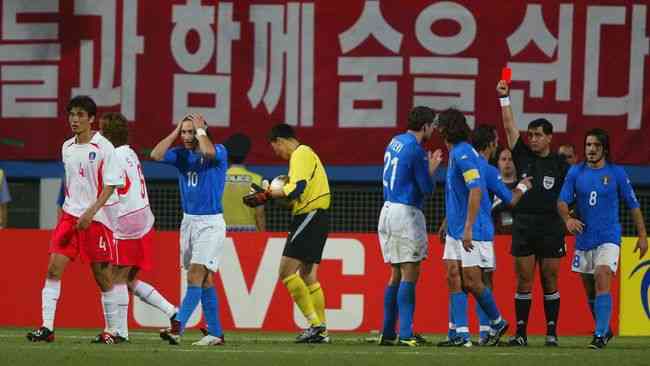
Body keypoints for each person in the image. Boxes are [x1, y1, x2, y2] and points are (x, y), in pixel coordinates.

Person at [78, 112, 178, 343]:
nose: (98, 134)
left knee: (114, 277)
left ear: (108, 134)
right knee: (129, 279)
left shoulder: (114, 155)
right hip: (143, 217)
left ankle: (118, 332)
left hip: (129, 220)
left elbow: (115, 188)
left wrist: (93, 211)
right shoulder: (129, 152)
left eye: (101, 130)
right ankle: (175, 313)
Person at [27, 96, 118, 342]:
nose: (75, 120)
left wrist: (91, 211)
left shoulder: (104, 147)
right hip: (70, 218)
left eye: (80, 115)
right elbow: (71, 184)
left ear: (91, 119)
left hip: (97, 219)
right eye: (72, 115)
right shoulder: (66, 147)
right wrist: (64, 216)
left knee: (102, 276)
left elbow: (111, 185)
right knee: (53, 268)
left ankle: (113, 330)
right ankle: (47, 328)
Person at [437, 115, 528, 348]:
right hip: (457, 229)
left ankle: (494, 323)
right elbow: (458, 194)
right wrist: (447, 222)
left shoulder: (467, 156)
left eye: (441, 126)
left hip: (474, 230)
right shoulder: (458, 154)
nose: (438, 130)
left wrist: (522, 186)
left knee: (474, 282)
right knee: (453, 277)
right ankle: (460, 334)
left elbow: (476, 191)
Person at [558, 128, 648, 349]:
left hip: (609, 236)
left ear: (604, 149)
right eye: (588, 145)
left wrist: (642, 235)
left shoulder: (617, 173)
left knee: (602, 274)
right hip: (584, 238)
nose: (591, 149)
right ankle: (605, 328)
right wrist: (567, 220)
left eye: (596, 145)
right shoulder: (575, 173)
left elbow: (633, 205)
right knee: (590, 290)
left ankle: (598, 335)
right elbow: (562, 201)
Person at [497, 80, 570, 346]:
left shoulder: (560, 164)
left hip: (551, 227)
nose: (534, 139)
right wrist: (504, 98)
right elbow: (508, 126)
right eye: (531, 135)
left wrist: (568, 217)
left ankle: (551, 332)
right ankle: (521, 333)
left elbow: (570, 196)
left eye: (539, 135)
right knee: (524, 280)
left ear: (550, 137)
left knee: (550, 279)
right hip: (524, 225)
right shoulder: (523, 156)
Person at [244, 123, 331, 343]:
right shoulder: (307, 154)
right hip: (316, 216)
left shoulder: (300, 154)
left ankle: (316, 325)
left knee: (285, 272)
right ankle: (321, 330)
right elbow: (293, 198)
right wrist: (270, 195)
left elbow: (297, 188)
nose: (277, 153)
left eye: (275, 148)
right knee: (308, 275)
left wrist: (267, 195)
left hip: (309, 216)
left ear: (279, 141)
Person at [151, 113, 228, 346]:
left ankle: (178, 326)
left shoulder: (218, 151)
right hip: (188, 223)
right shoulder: (181, 155)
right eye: (184, 132)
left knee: (195, 273)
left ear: (201, 132)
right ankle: (215, 333)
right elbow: (155, 155)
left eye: (190, 132)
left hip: (210, 224)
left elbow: (209, 152)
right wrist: (175, 131)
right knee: (204, 280)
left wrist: (201, 130)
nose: (186, 136)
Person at [375, 106, 441, 347]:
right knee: (410, 273)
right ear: (424, 126)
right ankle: (405, 333)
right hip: (406, 213)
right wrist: (432, 168)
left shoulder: (395, 141)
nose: (434, 129)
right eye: (432, 125)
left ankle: (388, 331)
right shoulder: (416, 150)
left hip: (388, 209)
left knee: (395, 273)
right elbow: (427, 189)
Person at [222, 133, 266, 232]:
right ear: (246, 155)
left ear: (227, 155)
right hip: (248, 233)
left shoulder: (218, 178)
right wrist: (263, 237)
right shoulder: (257, 179)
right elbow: (260, 214)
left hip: (222, 232)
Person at [491, 147, 517, 235]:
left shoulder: (522, 186)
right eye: (503, 159)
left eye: (510, 159)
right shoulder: (491, 187)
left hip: (519, 237)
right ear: (498, 163)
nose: (507, 162)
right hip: (496, 237)